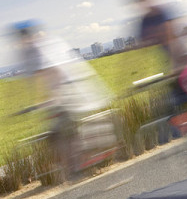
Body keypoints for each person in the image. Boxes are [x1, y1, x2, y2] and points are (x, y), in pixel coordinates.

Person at [10, 20, 114, 182]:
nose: (22, 40)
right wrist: (40, 102)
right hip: (59, 95)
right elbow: (38, 80)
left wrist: (54, 98)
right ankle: (76, 162)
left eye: (24, 36)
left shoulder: (39, 48)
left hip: (69, 90)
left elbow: (55, 72)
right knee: (58, 133)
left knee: (61, 130)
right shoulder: (29, 52)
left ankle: (82, 159)